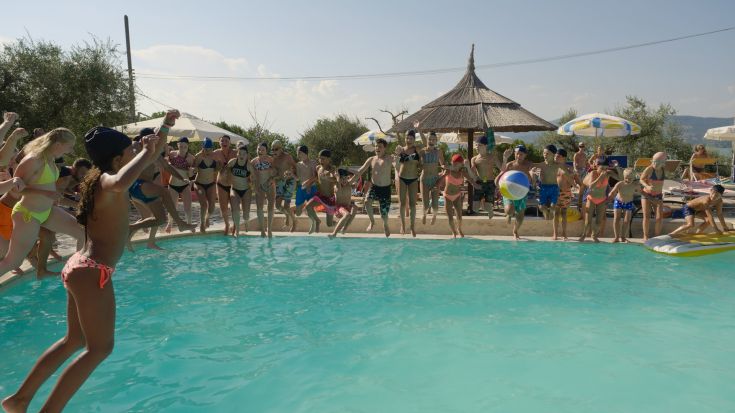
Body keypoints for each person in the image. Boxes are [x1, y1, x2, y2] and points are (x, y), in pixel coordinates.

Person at [1, 113, 176, 413]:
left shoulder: (100, 178)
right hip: (92, 272)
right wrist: (146, 151)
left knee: (74, 341)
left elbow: (147, 158)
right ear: (117, 157)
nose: (137, 151)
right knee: (100, 348)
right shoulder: (109, 182)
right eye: (131, 150)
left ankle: (19, 399)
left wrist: (165, 128)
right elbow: (124, 179)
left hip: (79, 268)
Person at [0, 128, 86, 277]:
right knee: (13, 262)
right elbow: (16, 191)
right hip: (28, 215)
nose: (71, 150)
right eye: (69, 146)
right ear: (58, 144)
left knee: (82, 233)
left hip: (47, 212)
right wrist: (46, 193)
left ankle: (75, 274)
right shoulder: (33, 160)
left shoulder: (50, 159)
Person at [351, 138, 395, 237]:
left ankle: (385, 224)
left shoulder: (389, 158)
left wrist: (397, 161)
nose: (377, 148)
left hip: (385, 189)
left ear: (385, 148)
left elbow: (397, 165)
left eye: (380, 146)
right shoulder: (371, 159)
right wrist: (350, 180)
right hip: (374, 187)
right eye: (376, 146)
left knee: (383, 214)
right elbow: (360, 171)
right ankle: (372, 221)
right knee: (367, 201)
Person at [497, 144, 533, 240]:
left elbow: (532, 180)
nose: (518, 156)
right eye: (517, 154)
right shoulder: (510, 165)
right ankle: (509, 214)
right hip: (509, 191)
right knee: (509, 210)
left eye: (521, 154)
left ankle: (515, 230)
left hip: (522, 192)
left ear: (525, 155)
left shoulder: (529, 165)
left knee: (520, 215)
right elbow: (501, 173)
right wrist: (504, 159)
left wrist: (533, 175)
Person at [439, 154, 478, 238]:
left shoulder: (462, 172)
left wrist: (475, 184)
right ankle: (453, 232)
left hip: (457, 195)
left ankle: (459, 229)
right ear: (452, 163)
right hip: (447, 196)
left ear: (461, 164)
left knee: (459, 216)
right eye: (454, 163)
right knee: (450, 216)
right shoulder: (448, 170)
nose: (456, 165)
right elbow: (442, 165)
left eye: (458, 163)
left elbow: (472, 179)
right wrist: (450, 168)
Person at [395, 129, 422, 237]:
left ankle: (412, 227)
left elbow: (420, 163)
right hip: (402, 178)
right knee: (402, 203)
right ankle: (402, 225)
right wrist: (397, 155)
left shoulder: (417, 149)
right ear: (404, 138)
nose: (408, 140)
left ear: (414, 139)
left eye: (411, 138)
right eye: (407, 137)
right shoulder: (401, 150)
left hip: (413, 179)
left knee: (412, 204)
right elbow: (397, 165)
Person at [224, 143, 255, 237]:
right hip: (234, 190)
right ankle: (237, 230)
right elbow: (226, 170)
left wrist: (253, 185)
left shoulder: (249, 166)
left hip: (246, 190)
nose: (241, 155)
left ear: (247, 155)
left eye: (244, 154)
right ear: (237, 154)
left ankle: (246, 221)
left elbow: (254, 179)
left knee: (246, 213)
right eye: (240, 153)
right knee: (235, 210)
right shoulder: (232, 162)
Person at [304, 149, 337, 234]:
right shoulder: (318, 168)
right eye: (320, 158)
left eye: (323, 159)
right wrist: (308, 184)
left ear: (329, 159)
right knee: (308, 206)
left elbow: (335, 179)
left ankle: (338, 224)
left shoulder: (332, 168)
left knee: (329, 224)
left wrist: (328, 177)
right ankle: (317, 221)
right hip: (320, 196)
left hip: (329, 199)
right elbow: (315, 178)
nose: (321, 161)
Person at [165, 137, 195, 232]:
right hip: (173, 185)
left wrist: (191, 173)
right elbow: (166, 164)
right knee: (172, 207)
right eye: (180, 146)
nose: (182, 148)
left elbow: (191, 176)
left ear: (187, 146)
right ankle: (170, 224)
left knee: (188, 206)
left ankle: (189, 224)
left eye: (185, 146)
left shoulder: (191, 158)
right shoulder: (172, 154)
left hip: (185, 185)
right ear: (177, 145)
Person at [578, 156, 610, 242]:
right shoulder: (593, 173)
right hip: (591, 198)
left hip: (602, 199)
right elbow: (591, 186)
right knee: (588, 221)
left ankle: (594, 235)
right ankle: (584, 235)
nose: (604, 170)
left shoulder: (608, 174)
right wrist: (600, 177)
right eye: (602, 168)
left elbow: (621, 176)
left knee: (599, 221)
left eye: (606, 168)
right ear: (597, 167)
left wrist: (616, 168)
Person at [192, 138, 219, 233]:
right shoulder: (198, 157)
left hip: (211, 184)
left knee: (212, 206)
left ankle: (207, 218)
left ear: (212, 148)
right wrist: (193, 169)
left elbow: (218, 169)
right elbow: (194, 169)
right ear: (202, 147)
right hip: (199, 184)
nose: (208, 151)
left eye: (209, 149)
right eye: (206, 148)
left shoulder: (215, 156)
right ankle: (202, 224)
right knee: (203, 205)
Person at [640, 151, 667, 241]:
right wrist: (647, 186)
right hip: (647, 195)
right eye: (654, 161)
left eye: (658, 162)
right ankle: (645, 236)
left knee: (659, 217)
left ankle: (657, 236)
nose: (655, 163)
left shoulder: (663, 168)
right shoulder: (649, 169)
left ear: (663, 163)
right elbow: (641, 179)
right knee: (646, 216)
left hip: (658, 195)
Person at [271, 140, 297, 232]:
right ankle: (287, 215)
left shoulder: (287, 157)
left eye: (276, 149)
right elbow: (274, 171)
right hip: (280, 182)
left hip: (290, 182)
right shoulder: (273, 159)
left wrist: (292, 174)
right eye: (273, 149)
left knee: (286, 206)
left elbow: (295, 166)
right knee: (277, 206)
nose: (274, 151)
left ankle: (294, 222)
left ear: (281, 148)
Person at [607, 168, 639, 243]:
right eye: (626, 178)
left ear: (634, 178)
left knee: (626, 220)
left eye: (630, 179)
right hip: (618, 201)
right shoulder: (620, 184)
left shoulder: (635, 185)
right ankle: (616, 237)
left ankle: (623, 237)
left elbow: (641, 191)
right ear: (623, 177)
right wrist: (610, 195)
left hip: (628, 203)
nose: (627, 180)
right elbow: (613, 191)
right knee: (616, 219)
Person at [213, 135, 237, 236]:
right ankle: (227, 225)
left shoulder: (235, 153)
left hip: (233, 185)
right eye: (222, 141)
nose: (224, 142)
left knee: (234, 207)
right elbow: (205, 158)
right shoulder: (216, 153)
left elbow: (245, 160)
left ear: (229, 142)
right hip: (221, 184)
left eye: (226, 141)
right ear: (219, 143)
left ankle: (235, 225)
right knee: (223, 207)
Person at [470, 135, 498, 220]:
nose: (477, 147)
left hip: (490, 183)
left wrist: (504, 159)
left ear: (486, 146)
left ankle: (488, 208)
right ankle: (484, 204)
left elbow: (502, 169)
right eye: (476, 145)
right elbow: (473, 175)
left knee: (487, 207)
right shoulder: (474, 159)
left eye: (479, 145)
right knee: (474, 209)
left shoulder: (492, 157)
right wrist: (468, 167)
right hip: (479, 183)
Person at [555, 149, 581, 241]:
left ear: (564, 158)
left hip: (566, 193)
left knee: (564, 213)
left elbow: (578, 181)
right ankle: (555, 234)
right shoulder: (553, 168)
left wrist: (577, 185)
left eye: (558, 156)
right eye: (555, 156)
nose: (555, 157)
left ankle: (564, 233)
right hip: (555, 192)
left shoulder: (569, 168)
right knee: (556, 213)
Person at [420, 131, 445, 225]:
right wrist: (419, 130)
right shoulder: (422, 151)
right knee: (425, 204)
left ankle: (434, 216)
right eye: (430, 139)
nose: (431, 141)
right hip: (424, 179)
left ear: (436, 141)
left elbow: (443, 164)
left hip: (435, 180)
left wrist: (443, 172)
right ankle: (424, 214)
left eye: (434, 139)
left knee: (435, 203)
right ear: (427, 140)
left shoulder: (438, 152)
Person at [252, 142, 276, 238]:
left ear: (266, 151)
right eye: (258, 149)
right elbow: (251, 176)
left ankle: (269, 229)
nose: (260, 151)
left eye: (262, 150)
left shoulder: (271, 160)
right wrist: (254, 186)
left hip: (270, 185)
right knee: (259, 208)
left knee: (270, 207)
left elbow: (276, 172)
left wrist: (272, 179)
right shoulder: (253, 162)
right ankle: (262, 230)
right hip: (259, 186)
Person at [328, 168, 358, 238]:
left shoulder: (349, 184)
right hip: (339, 209)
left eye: (345, 178)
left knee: (355, 207)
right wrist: (337, 178)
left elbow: (358, 174)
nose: (344, 181)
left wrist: (347, 168)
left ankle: (344, 229)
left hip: (347, 206)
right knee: (347, 214)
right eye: (342, 179)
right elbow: (338, 188)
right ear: (339, 179)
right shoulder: (336, 186)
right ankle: (334, 233)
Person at [293, 145, 318, 219]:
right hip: (301, 188)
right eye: (297, 153)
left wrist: (309, 184)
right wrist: (292, 174)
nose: (298, 155)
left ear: (305, 153)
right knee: (298, 213)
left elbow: (316, 177)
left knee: (310, 210)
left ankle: (315, 222)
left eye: (299, 152)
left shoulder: (313, 163)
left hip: (311, 188)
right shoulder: (298, 165)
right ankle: (304, 205)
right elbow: (298, 179)